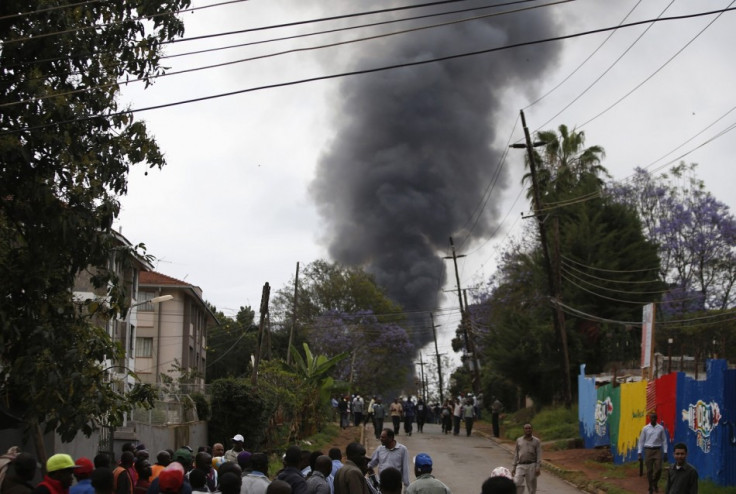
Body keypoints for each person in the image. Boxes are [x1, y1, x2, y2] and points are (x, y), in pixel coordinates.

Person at [638, 412, 668, 494]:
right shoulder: (645, 428)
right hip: (648, 450)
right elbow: (641, 441)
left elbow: (664, 440)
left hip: (657, 450)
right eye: (652, 418)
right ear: (650, 418)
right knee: (649, 470)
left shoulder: (660, 428)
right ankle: (650, 487)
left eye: (655, 417)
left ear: (657, 418)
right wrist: (639, 452)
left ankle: (654, 482)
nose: (653, 419)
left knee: (658, 469)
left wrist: (665, 452)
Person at [512, 424, 541, 494]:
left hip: (532, 465)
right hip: (520, 465)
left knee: (531, 487)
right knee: (516, 482)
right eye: (526, 428)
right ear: (523, 430)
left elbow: (539, 454)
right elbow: (516, 454)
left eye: (529, 428)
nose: (528, 430)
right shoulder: (519, 440)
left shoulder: (536, 441)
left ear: (532, 429)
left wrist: (538, 467)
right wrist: (514, 466)